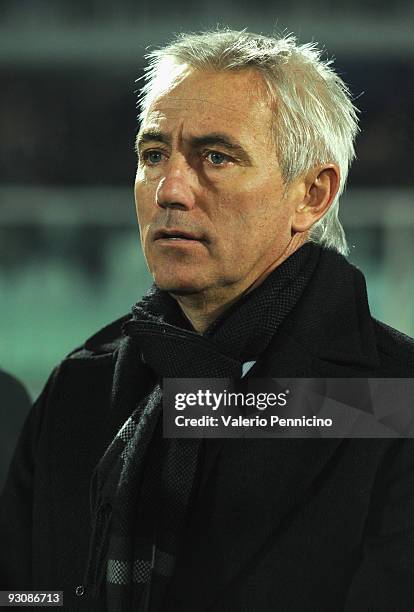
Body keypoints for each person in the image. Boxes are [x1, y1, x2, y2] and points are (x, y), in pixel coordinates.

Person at [1, 29, 414, 612]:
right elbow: (24, 594)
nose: (169, 189)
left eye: (215, 157)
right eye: (153, 155)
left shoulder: (396, 403)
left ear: (312, 194)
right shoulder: (79, 388)